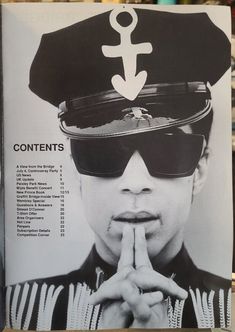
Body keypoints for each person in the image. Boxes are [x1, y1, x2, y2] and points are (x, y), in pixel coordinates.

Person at [6, 6, 231, 330]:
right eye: (102, 154)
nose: (135, 182)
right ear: (75, 172)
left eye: (166, 150)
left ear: (200, 169)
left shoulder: (230, 308)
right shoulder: (20, 310)